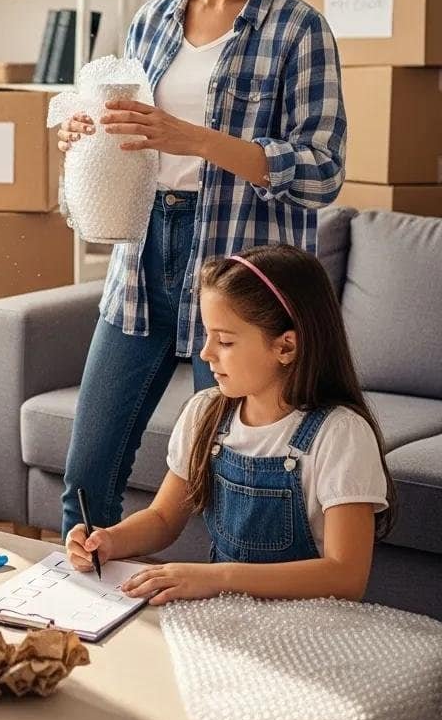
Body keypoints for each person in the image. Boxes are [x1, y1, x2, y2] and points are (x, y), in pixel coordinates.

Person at [58, 0, 346, 538]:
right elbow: (134, 138)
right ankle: (77, 597)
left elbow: (321, 171)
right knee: (87, 474)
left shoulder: (297, 30)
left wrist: (198, 140)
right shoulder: (152, 21)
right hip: (143, 254)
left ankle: (215, 602)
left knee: (236, 483)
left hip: (241, 270)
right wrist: (88, 134)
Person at [66, 244, 393, 602]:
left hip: (310, 622)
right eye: (207, 335)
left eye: (224, 340)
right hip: (226, 613)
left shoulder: (341, 435)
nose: (206, 353)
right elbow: (162, 519)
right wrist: (110, 540)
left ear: (286, 347)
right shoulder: (205, 413)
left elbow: (346, 577)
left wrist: (218, 577)